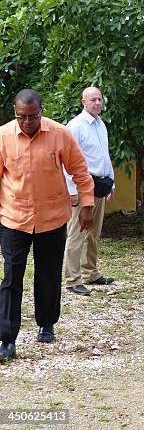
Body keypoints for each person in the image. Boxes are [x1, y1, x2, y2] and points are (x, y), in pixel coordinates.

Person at [0, 89, 94, 361]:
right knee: (11, 277)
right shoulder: (4, 136)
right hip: (14, 218)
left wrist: (87, 205)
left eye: (33, 116)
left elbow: (80, 170)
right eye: (22, 117)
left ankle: (46, 323)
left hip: (52, 217)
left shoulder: (60, 134)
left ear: (41, 111)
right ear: (15, 114)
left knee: (48, 273)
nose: (28, 122)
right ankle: (7, 338)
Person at [63, 87, 116, 296]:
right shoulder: (75, 126)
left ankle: (90, 272)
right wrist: (71, 190)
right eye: (92, 100)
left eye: (99, 99)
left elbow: (104, 155)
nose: (97, 103)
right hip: (82, 185)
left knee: (94, 232)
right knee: (77, 233)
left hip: (100, 185)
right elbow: (66, 160)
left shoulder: (101, 125)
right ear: (83, 102)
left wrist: (111, 183)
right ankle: (73, 278)